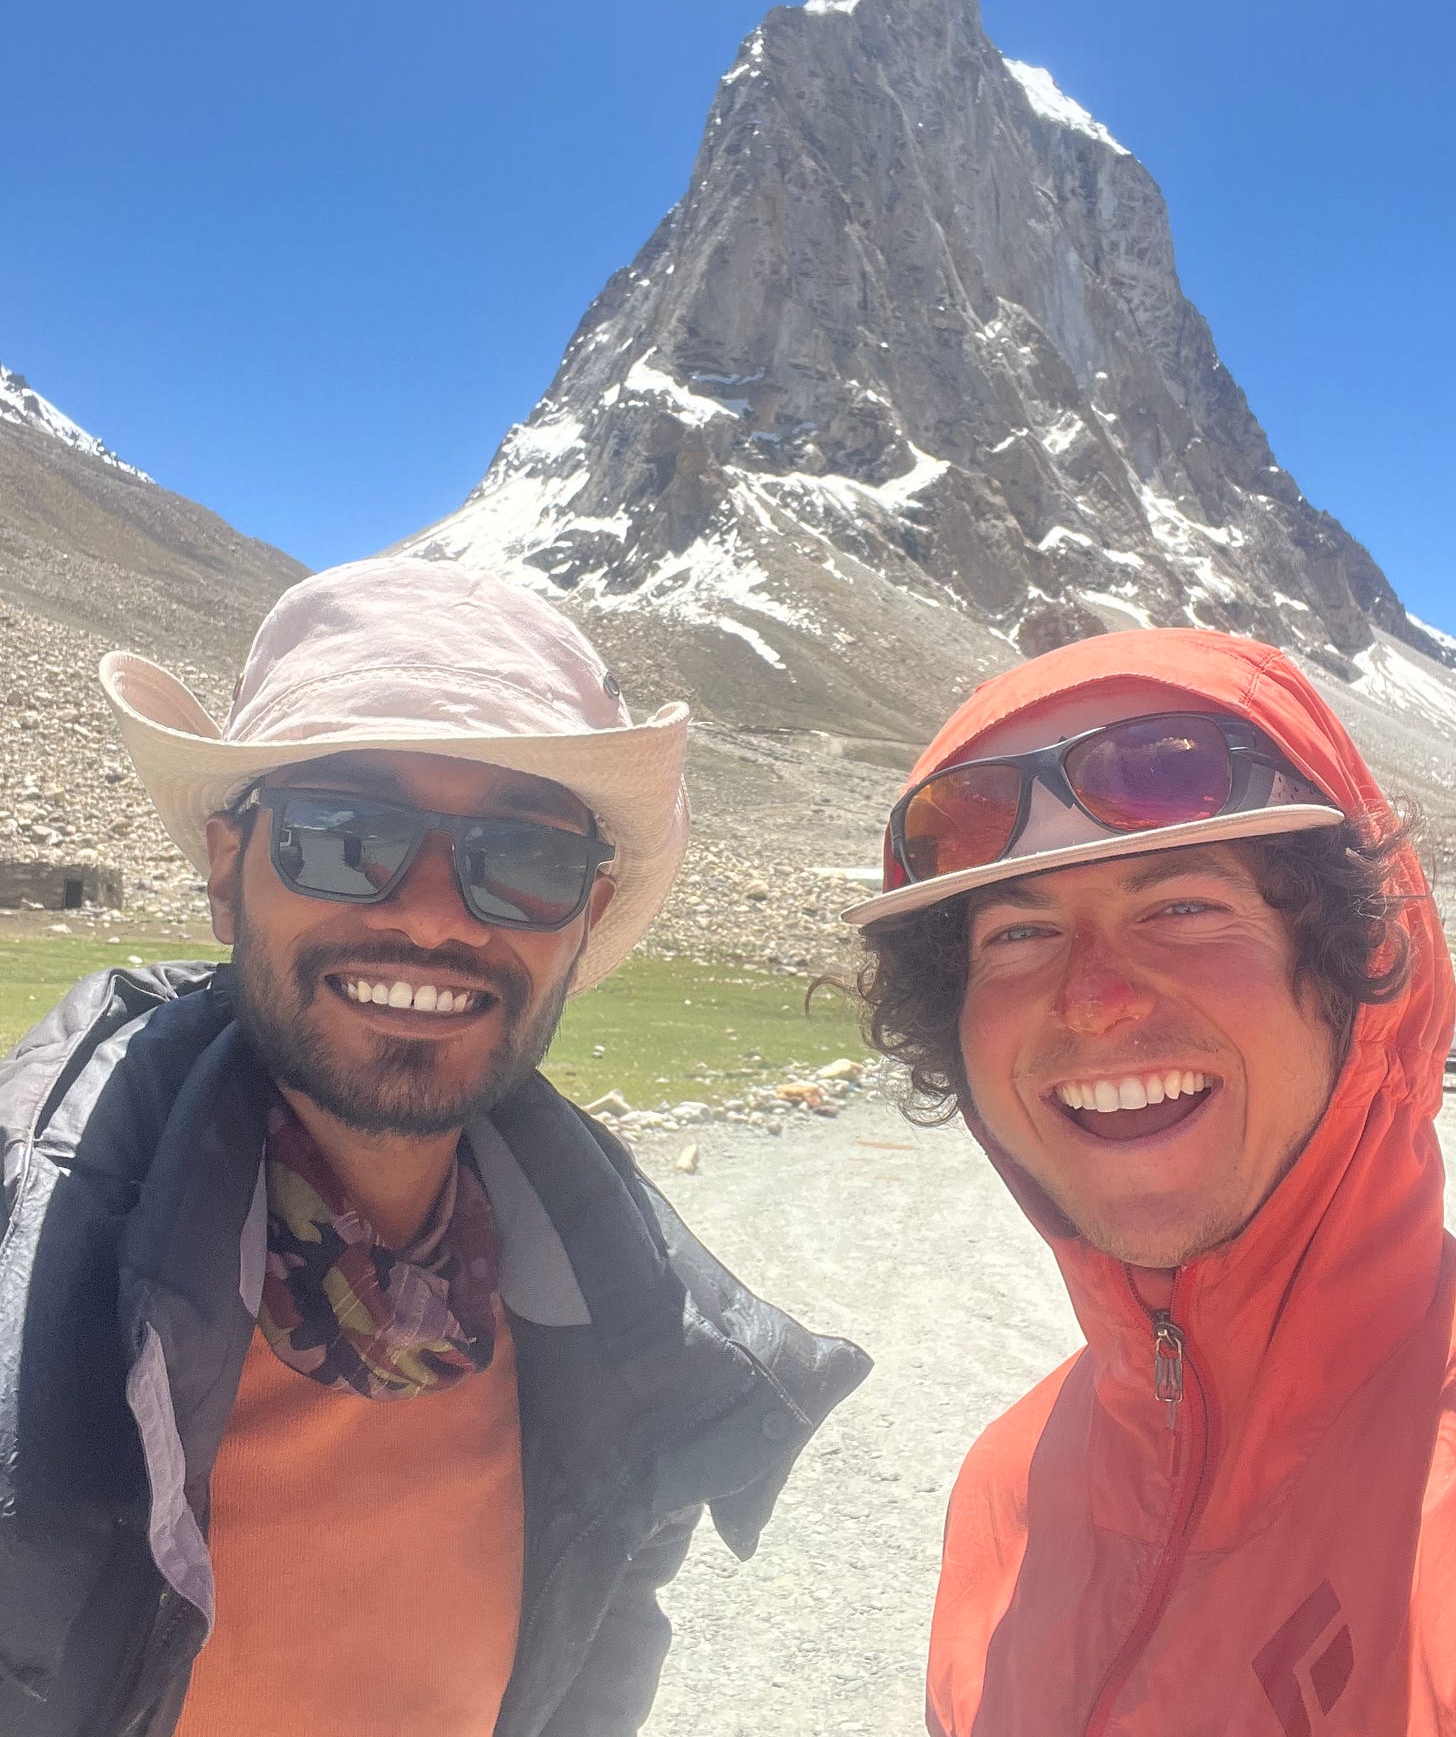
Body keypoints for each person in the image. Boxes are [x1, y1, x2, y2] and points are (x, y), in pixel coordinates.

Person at [0, 557, 869, 1737]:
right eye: (340, 835)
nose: (429, 914)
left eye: (525, 859)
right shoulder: (29, 1257)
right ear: (227, 870)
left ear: (584, 919)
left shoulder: (624, 1324)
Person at [844, 626, 1455, 1736]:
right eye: (1018, 932)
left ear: (1359, 962)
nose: (1091, 1001)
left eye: (1182, 907)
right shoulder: (1007, 1482)